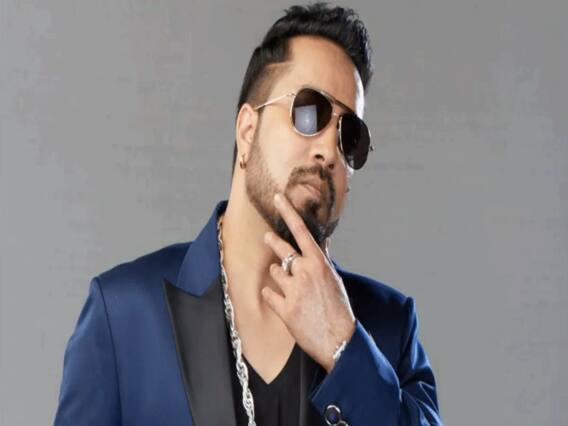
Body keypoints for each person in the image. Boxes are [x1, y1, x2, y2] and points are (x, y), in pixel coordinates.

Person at [54, 3, 443, 425]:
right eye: (309, 112)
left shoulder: (387, 326)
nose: (329, 151)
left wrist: (344, 347)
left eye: (350, 137)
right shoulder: (123, 315)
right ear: (247, 130)